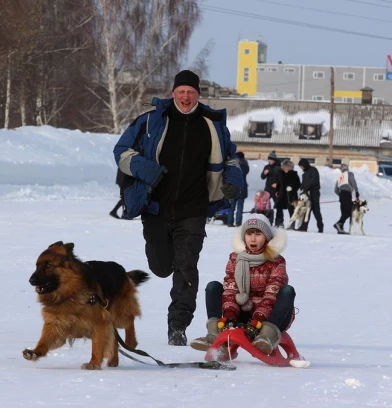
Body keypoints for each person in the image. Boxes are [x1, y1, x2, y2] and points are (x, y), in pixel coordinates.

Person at [113, 70, 243, 346]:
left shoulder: (213, 124)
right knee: (160, 267)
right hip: (156, 207)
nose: (186, 96)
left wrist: (234, 179)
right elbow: (121, 151)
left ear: (198, 94)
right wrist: (147, 170)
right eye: (181, 91)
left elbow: (232, 158)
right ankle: (169, 262)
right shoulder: (151, 121)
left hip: (193, 208)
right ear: (173, 93)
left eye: (191, 92)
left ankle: (178, 326)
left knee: (187, 267)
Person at [190, 213, 295, 356]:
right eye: (249, 233)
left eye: (258, 234)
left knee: (287, 291)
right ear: (244, 236)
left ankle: (267, 336)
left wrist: (258, 320)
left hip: (270, 317)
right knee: (213, 286)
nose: (253, 238)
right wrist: (229, 315)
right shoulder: (235, 258)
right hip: (243, 313)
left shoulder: (276, 261)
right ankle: (214, 334)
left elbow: (272, 293)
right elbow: (230, 288)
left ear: (266, 237)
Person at [297, 158, 324, 233]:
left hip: (314, 193)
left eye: (301, 166)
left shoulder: (313, 170)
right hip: (306, 194)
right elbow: (303, 183)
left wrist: (306, 187)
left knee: (316, 210)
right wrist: (302, 188)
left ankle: (320, 226)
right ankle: (303, 227)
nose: (301, 168)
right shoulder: (304, 174)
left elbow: (314, 180)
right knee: (306, 211)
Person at [334, 163, 359, 234]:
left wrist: (341, 195)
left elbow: (335, 190)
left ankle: (340, 229)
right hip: (347, 194)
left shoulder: (340, 177)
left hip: (341, 195)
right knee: (349, 211)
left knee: (343, 213)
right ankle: (339, 223)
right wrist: (356, 191)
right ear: (347, 168)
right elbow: (353, 183)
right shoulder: (349, 174)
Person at [261, 151, 284, 228]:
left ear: (274, 160)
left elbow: (282, 179)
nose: (269, 161)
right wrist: (264, 173)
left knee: (278, 206)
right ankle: (265, 220)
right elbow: (262, 177)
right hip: (267, 189)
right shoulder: (267, 167)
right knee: (264, 205)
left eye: (271, 159)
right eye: (269, 159)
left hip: (276, 190)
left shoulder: (279, 167)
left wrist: (277, 184)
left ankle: (279, 222)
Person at [227, 151, 250, 227]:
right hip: (242, 188)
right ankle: (238, 223)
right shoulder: (245, 165)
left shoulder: (232, 164)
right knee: (240, 207)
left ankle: (229, 222)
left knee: (231, 207)